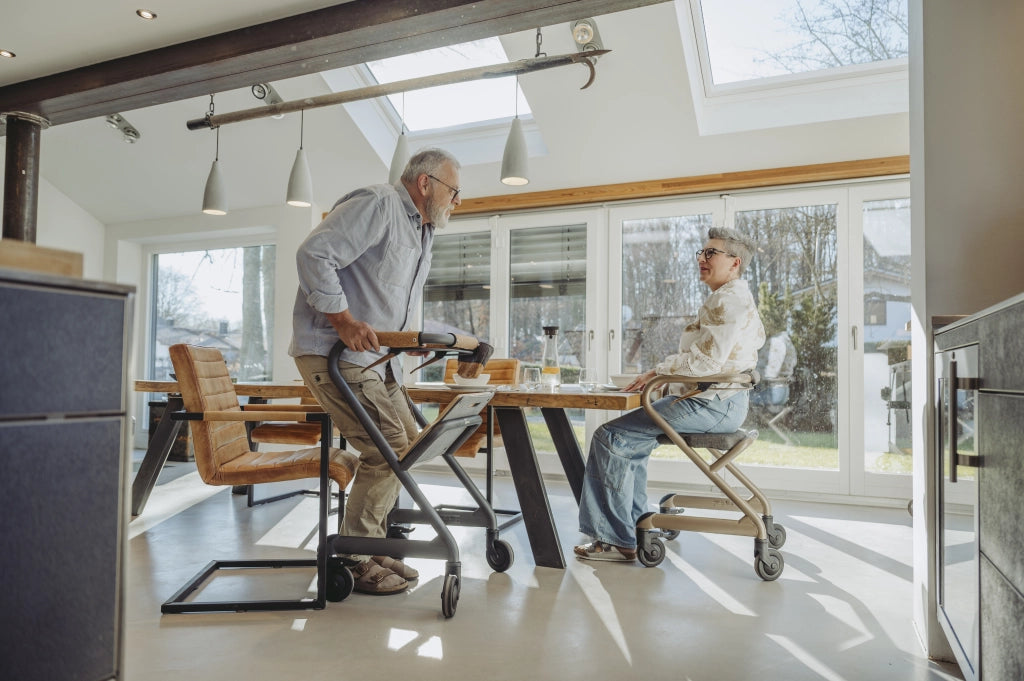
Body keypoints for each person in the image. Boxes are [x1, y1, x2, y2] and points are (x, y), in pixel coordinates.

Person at [289, 148, 462, 594]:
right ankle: (353, 557)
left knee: (410, 448)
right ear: (425, 183)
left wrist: (406, 341)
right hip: (334, 352)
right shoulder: (379, 204)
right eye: (453, 190)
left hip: (379, 361)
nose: (456, 201)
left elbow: (385, 296)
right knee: (389, 451)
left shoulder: (421, 230)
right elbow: (313, 254)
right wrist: (343, 321)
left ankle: (372, 542)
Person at [574, 227, 766, 562]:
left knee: (610, 437)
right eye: (701, 252)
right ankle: (633, 528)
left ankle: (616, 536)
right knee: (630, 440)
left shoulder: (728, 300)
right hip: (722, 402)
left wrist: (657, 373)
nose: (702, 258)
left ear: (735, 263)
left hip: (712, 404)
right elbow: (709, 359)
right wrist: (661, 374)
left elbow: (706, 362)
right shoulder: (732, 297)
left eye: (711, 253)